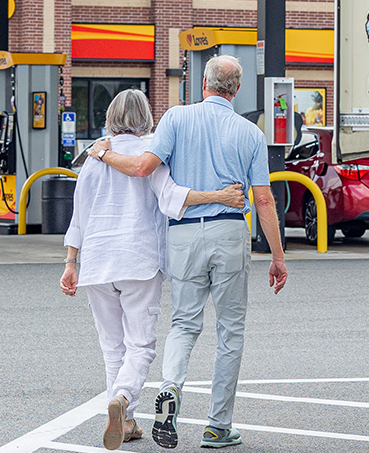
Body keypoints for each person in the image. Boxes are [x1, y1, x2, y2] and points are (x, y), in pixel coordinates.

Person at [89, 55, 289, 449]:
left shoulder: (176, 119)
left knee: (183, 323)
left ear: (204, 84)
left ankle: (170, 387)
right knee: (230, 330)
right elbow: (264, 200)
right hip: (230, 232)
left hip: (182, 234)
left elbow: (144, 167)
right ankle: (217, 425)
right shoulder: (250, 133)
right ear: (237, 89)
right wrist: (278, 257)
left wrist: (103, 153)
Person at [62, 89, 246, 450]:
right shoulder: (151, 155)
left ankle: (126, 420)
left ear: (110, 117)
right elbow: (173, 197)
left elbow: (78, 217)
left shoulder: (93, 157)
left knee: (112, 345)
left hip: (97, 262)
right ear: (147, 118)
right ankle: (123, 399)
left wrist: (71, 262)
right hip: (138, 258)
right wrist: (220, 197)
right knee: (141, 345)